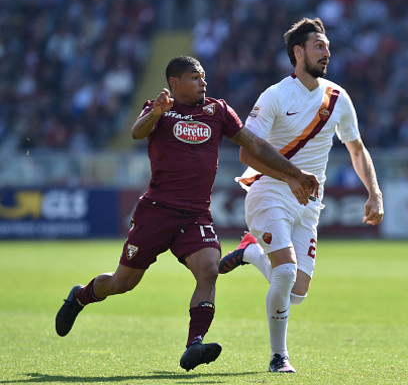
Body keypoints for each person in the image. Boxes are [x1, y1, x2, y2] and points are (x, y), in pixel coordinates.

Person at [54, 55, 318, 372]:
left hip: (195, 215)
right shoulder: (159, 110)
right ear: (174, 83)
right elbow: (137, 133)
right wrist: (156, 113)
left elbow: (255, 145)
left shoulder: (218, 111)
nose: (203, 82)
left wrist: (293, 173)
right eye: (195, 77)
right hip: (156, 211)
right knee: (123, 282)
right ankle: (80, 297)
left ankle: (193, 344)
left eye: (203, 77)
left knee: (209, 270)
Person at [217, 18, 384, 373]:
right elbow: (247, 154)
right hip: (269, 190)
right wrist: (290, 176)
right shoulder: (275, 95)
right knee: (286, 272)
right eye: (318, 46)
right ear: (298, 51)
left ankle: (249, 251)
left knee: (297, 291)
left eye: (327, 46)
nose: (326, 52)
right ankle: (280, 356)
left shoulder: (338, 97)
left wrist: (374, 192)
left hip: (309, 203)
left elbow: (357, 149)